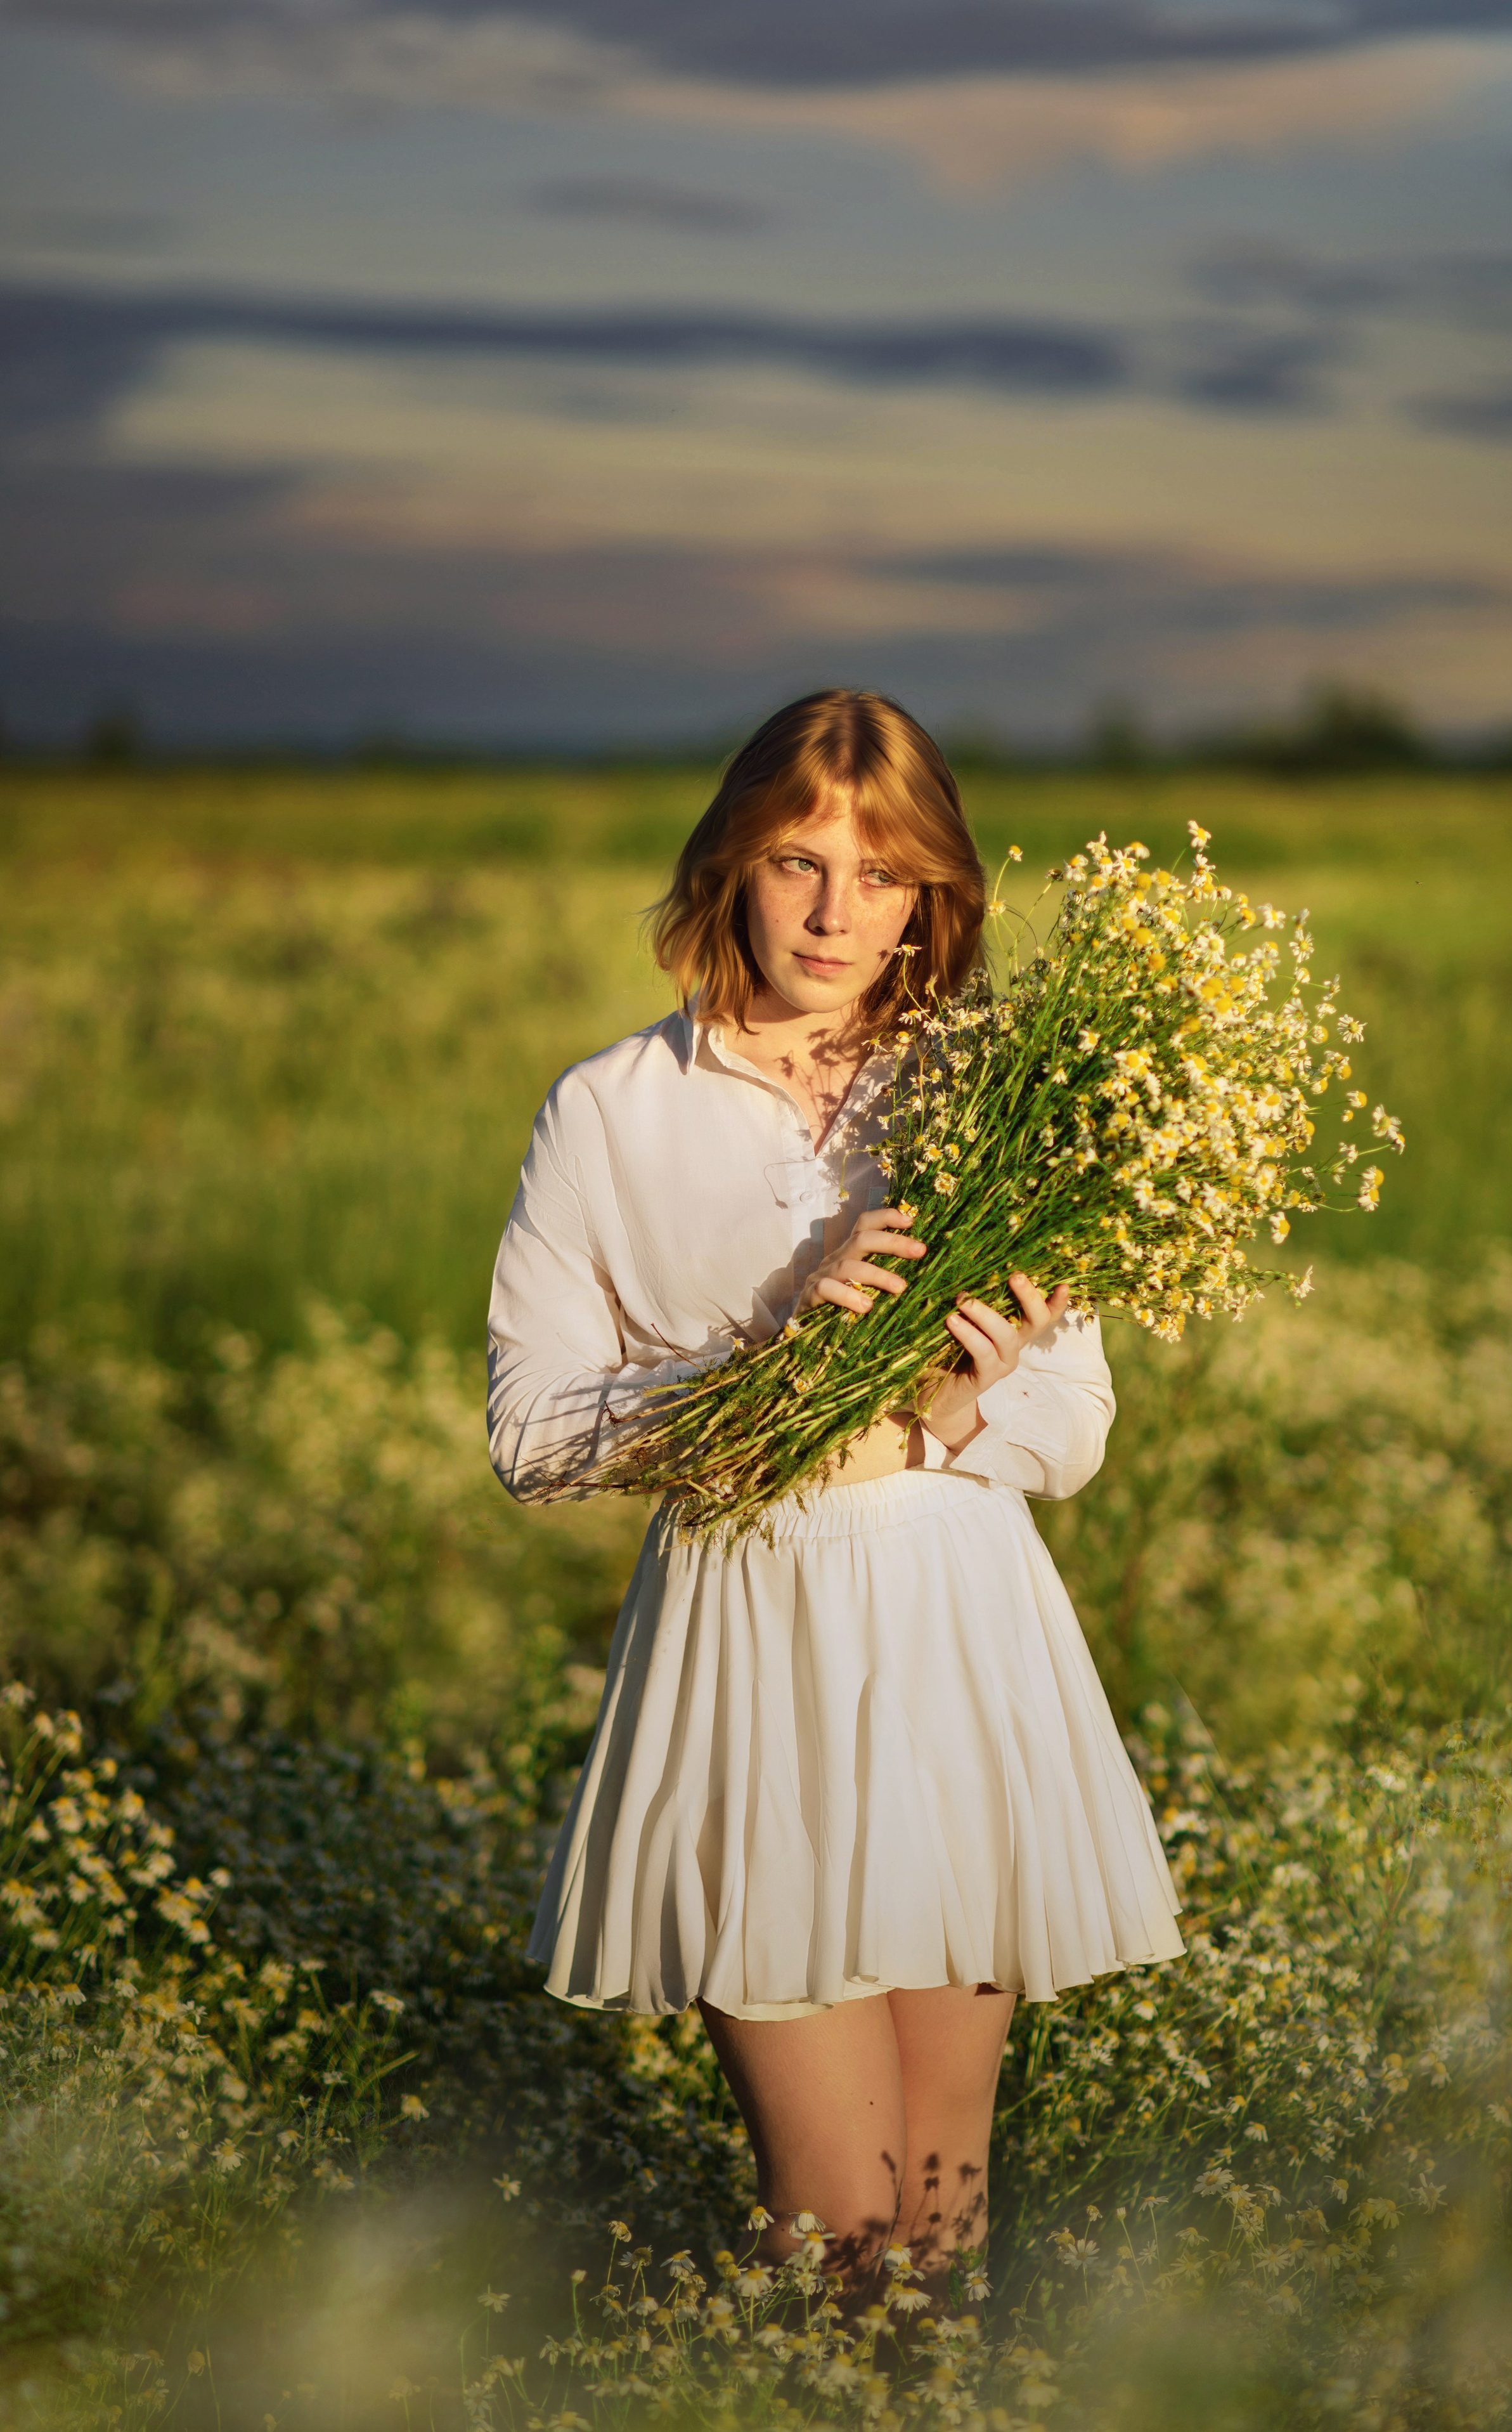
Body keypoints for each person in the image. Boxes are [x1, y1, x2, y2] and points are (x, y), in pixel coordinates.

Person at [487, 689, 1184, 2306]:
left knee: (943, 2201)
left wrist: (951, 1414)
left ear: (930, 893)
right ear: (729, 860)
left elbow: (1069, 1427)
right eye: (798, 862)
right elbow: (530, 1432)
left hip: (961, 1629)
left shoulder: (987, 1096)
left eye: (881, 877)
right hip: (753, 1646)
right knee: (837, 2211)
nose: (834, 913)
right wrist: (767, 1352)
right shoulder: (611, 1109)